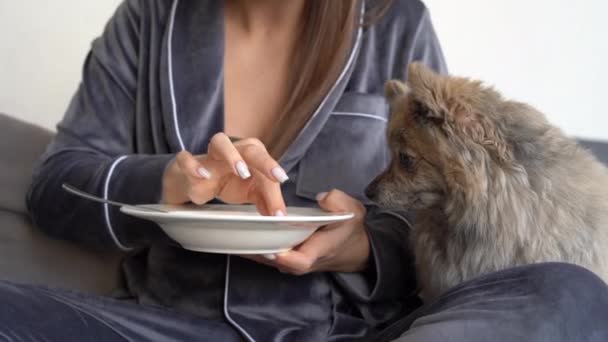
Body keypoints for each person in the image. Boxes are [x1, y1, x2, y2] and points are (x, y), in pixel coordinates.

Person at [2, 0, 606, 341]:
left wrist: (363, 246)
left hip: (353, 334)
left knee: (566, 293)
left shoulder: (393, 21)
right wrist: (170, 180)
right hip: (166, 328)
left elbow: (442, 205)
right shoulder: (148, 20)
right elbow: (58, 186)